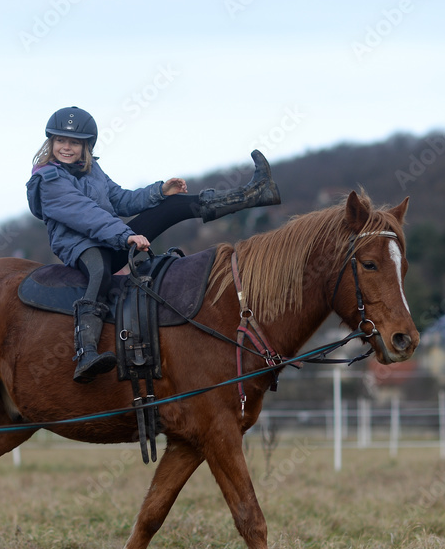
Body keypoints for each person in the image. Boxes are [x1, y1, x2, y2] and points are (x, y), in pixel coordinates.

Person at [27, 106, 281, 383]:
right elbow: (86, 215)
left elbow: (121, 200)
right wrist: (125, 236)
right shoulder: (47, 181)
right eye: (60, 140)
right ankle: (86, 353)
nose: (67, 147)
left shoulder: (92, 171)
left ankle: (253, 195)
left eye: (74, 142)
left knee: (171, 206)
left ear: (86, 146)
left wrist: (159, 191)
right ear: (50, 142)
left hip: (112, 235)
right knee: (99, 271)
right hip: (81, 245)